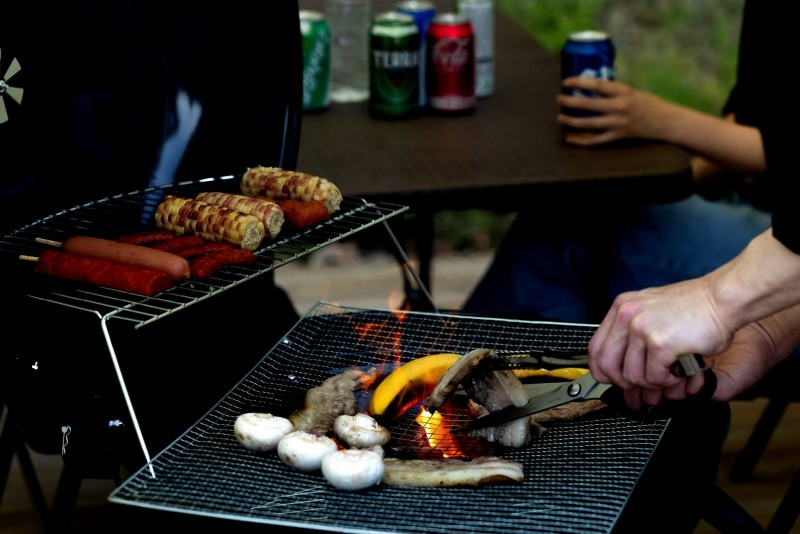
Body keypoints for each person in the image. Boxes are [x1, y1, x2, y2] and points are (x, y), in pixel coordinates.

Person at [461, 0, 774, 326]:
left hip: (783, 253)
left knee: (562, 233)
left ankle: (455, 354)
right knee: (571, 210)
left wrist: (661, 120)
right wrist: (663, 184)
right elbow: (749, 115)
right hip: (743, 203)